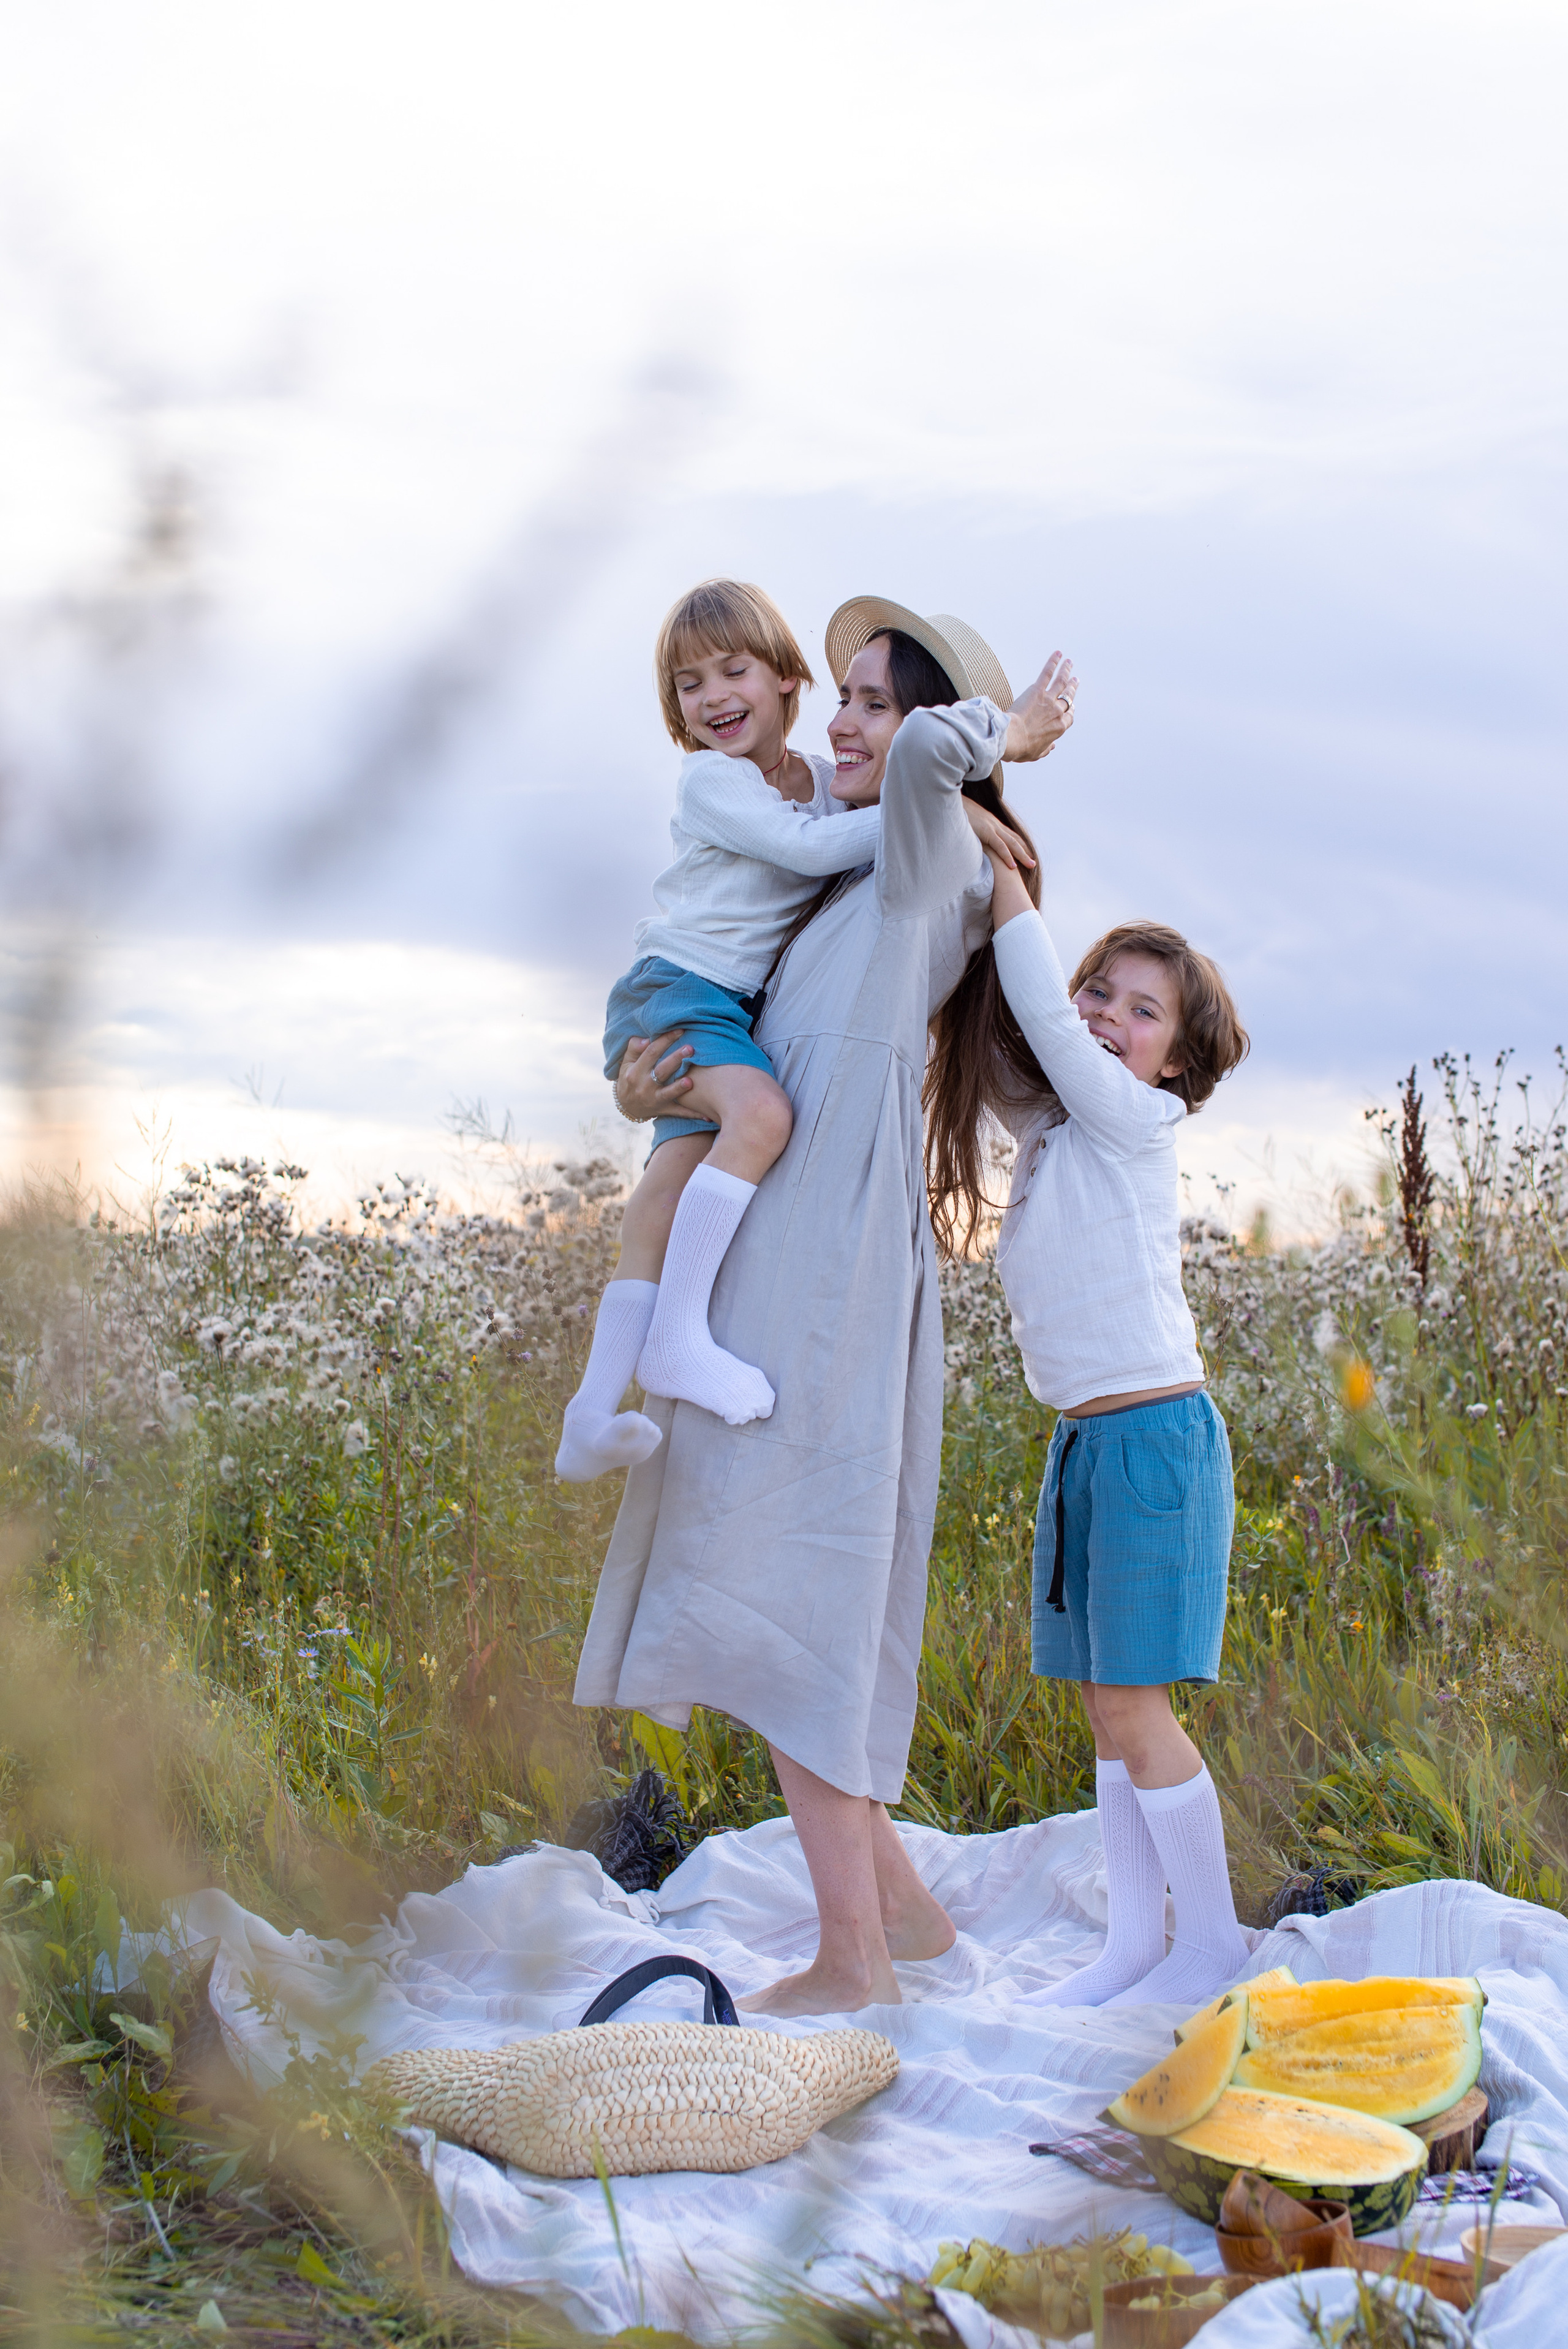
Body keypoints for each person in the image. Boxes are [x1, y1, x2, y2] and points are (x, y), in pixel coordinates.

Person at [575, 596, 1076, 2013]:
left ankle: (853, 1958)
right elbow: (740, 1037)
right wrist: (649, 1085)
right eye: (840, 696)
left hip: (825, 1262)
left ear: (937, 733)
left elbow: (923, 768)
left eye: (874, 701)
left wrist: (1008, 738)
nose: (845, 726)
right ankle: (901, 1921)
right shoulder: (853, 861)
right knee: (770, 1577)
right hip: (779, 1246)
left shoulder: (932, 846)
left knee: (799, 1594)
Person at [940, 842, 1251, 2008]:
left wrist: (1009, 879)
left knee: (1135, 1704)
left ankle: (1209, 1943)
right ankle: (1131, 1944)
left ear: (1177, 1061)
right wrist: (957, 887)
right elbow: (990, 1036)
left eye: (1142, 1009)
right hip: (1084, 1444)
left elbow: (1042, 1021)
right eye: (1099, 991)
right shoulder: (1057, 1122)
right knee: (1101, 1706)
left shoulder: (1132, 1115)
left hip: (1153, 1441)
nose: (1109, 1015)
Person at [556, 579, 884, 1485]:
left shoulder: (823, 781)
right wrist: (935, 810)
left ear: (786, 676)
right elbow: (811, 851)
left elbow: (849, 816)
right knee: (763, 1116)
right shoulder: (713, 781)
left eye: (733, 670)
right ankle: (675, 1341)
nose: (712, 697)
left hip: (718, 1006)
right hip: (678, 990)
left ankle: (589, 1415)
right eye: (689, 684)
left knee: (663, 1197)